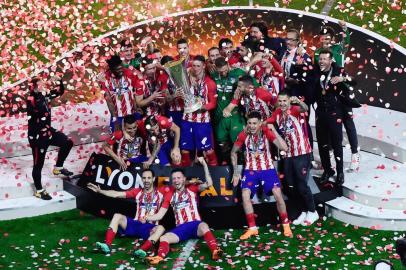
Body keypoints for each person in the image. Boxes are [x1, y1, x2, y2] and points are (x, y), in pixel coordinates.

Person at [143, 157, 223, 265]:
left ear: (184, 179)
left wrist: (204, 164)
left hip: (196, 225)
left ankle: (215, 250)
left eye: (178, 178)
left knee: (204, 226)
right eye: (174, 179)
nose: (176, 181)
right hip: (181, 228)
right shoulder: (170, 195)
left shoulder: (192, 189)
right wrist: (148, 217)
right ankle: (158, 257)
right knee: (164, 238)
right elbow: (160, 215)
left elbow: (209, 183)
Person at [231, 111, 292, 239]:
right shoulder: (243, 135)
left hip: (267, 169)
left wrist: (274, 131)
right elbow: (233, 152)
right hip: (250, 170)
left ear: (259, 123)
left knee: (277, 194)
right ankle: (252, 228)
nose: (252, 126)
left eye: (254, 123)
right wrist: (236, 172)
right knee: (245, 195)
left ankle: (286, 224)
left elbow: (284, 148)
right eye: (249, 123)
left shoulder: (266, 132)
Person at [87, 169, 168, 258]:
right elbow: (117, 194)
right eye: (144, 178)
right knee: (117, 216)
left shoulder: (161, 191)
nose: (146, 180)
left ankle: (141, 250)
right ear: (141, 179)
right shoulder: (137, 191)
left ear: (153, 179)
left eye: (149, 178)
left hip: (149, 228)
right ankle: (107, 245)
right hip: (136, 224)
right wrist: (100, 191)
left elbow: (171, 180)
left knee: (161, 228)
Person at [266, 91, 319, 226]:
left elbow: (305, 108)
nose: (282, 103)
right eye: (280, 101)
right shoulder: (277, 113)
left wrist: (300, 101)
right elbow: (267, 123)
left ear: (289, 101)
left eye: (285, 101)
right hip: (288, 155)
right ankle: (303, 211)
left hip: (302, 153)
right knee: (290, 186)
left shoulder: (295, 109)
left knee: (301, 185)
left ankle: (313, 212)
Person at [315, 22, 360, 172]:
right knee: (328, 126)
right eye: (323, 37)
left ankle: (355, 155)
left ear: (333, 38)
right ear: (320, 39)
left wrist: (345, 29)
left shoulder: (338, 49)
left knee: (348, 123)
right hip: (327, 95)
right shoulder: (317, 53)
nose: (326, 40)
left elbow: (346, 42)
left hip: (342, 91)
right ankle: (330, 157)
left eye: (328, 37)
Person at [27, 75, 74, 200]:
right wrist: (42, 94)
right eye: (41, 83)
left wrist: (58, 80)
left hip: (48, 131)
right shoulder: (31, 99)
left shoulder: (44, 95)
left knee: (68, 142)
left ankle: (58, 168)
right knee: (38, 164)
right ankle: (39, 190)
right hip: (37, 137)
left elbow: (60, 91)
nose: (44, 84)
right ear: (35, 86)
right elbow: (35, 111)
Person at [314, 49, 356, 185]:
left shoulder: (339, 70)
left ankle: (340, 172)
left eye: (324, 59)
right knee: (322, 144)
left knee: (337, 143)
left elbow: (354, 81)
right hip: (320, 112)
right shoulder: (315, 72)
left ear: (330, 60)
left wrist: (342, 78)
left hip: (335, 112)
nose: (321, 61)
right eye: (320, 59)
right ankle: (327, 170)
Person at [180, 55, 218, 167]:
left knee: (208, 150)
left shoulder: (210, 83)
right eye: (193, 66)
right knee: (185, 151)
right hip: (187, 120)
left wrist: (198, 107)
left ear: (203, 66)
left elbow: (213, 104)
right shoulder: (186, 80)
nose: (195, 68)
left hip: (202, 121)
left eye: (198, 66)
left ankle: (214, 174)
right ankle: (185, 176)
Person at [211, 57, 246, 164]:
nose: (224, 72)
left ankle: (241, 163)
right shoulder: (212, 76)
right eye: (221, 71)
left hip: (234, 115)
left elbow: (248, 85)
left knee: (237, 140)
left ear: (228, 65)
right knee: (220, 141)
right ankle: (226, 165)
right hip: (218, 114)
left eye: (226, 70)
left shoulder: (238, 73)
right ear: (216, 68)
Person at [99, 55, 145, 131]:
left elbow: (137, 88)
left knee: (138, 134)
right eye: (117, 69)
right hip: (118, 116)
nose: (121, 71)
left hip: (132, 113)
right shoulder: (105, 79)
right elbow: (109, 100)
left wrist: (137, 106)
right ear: (111, 69)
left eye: (121, 68)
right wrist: (115, 118)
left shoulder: (129, 73)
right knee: (118, 137)